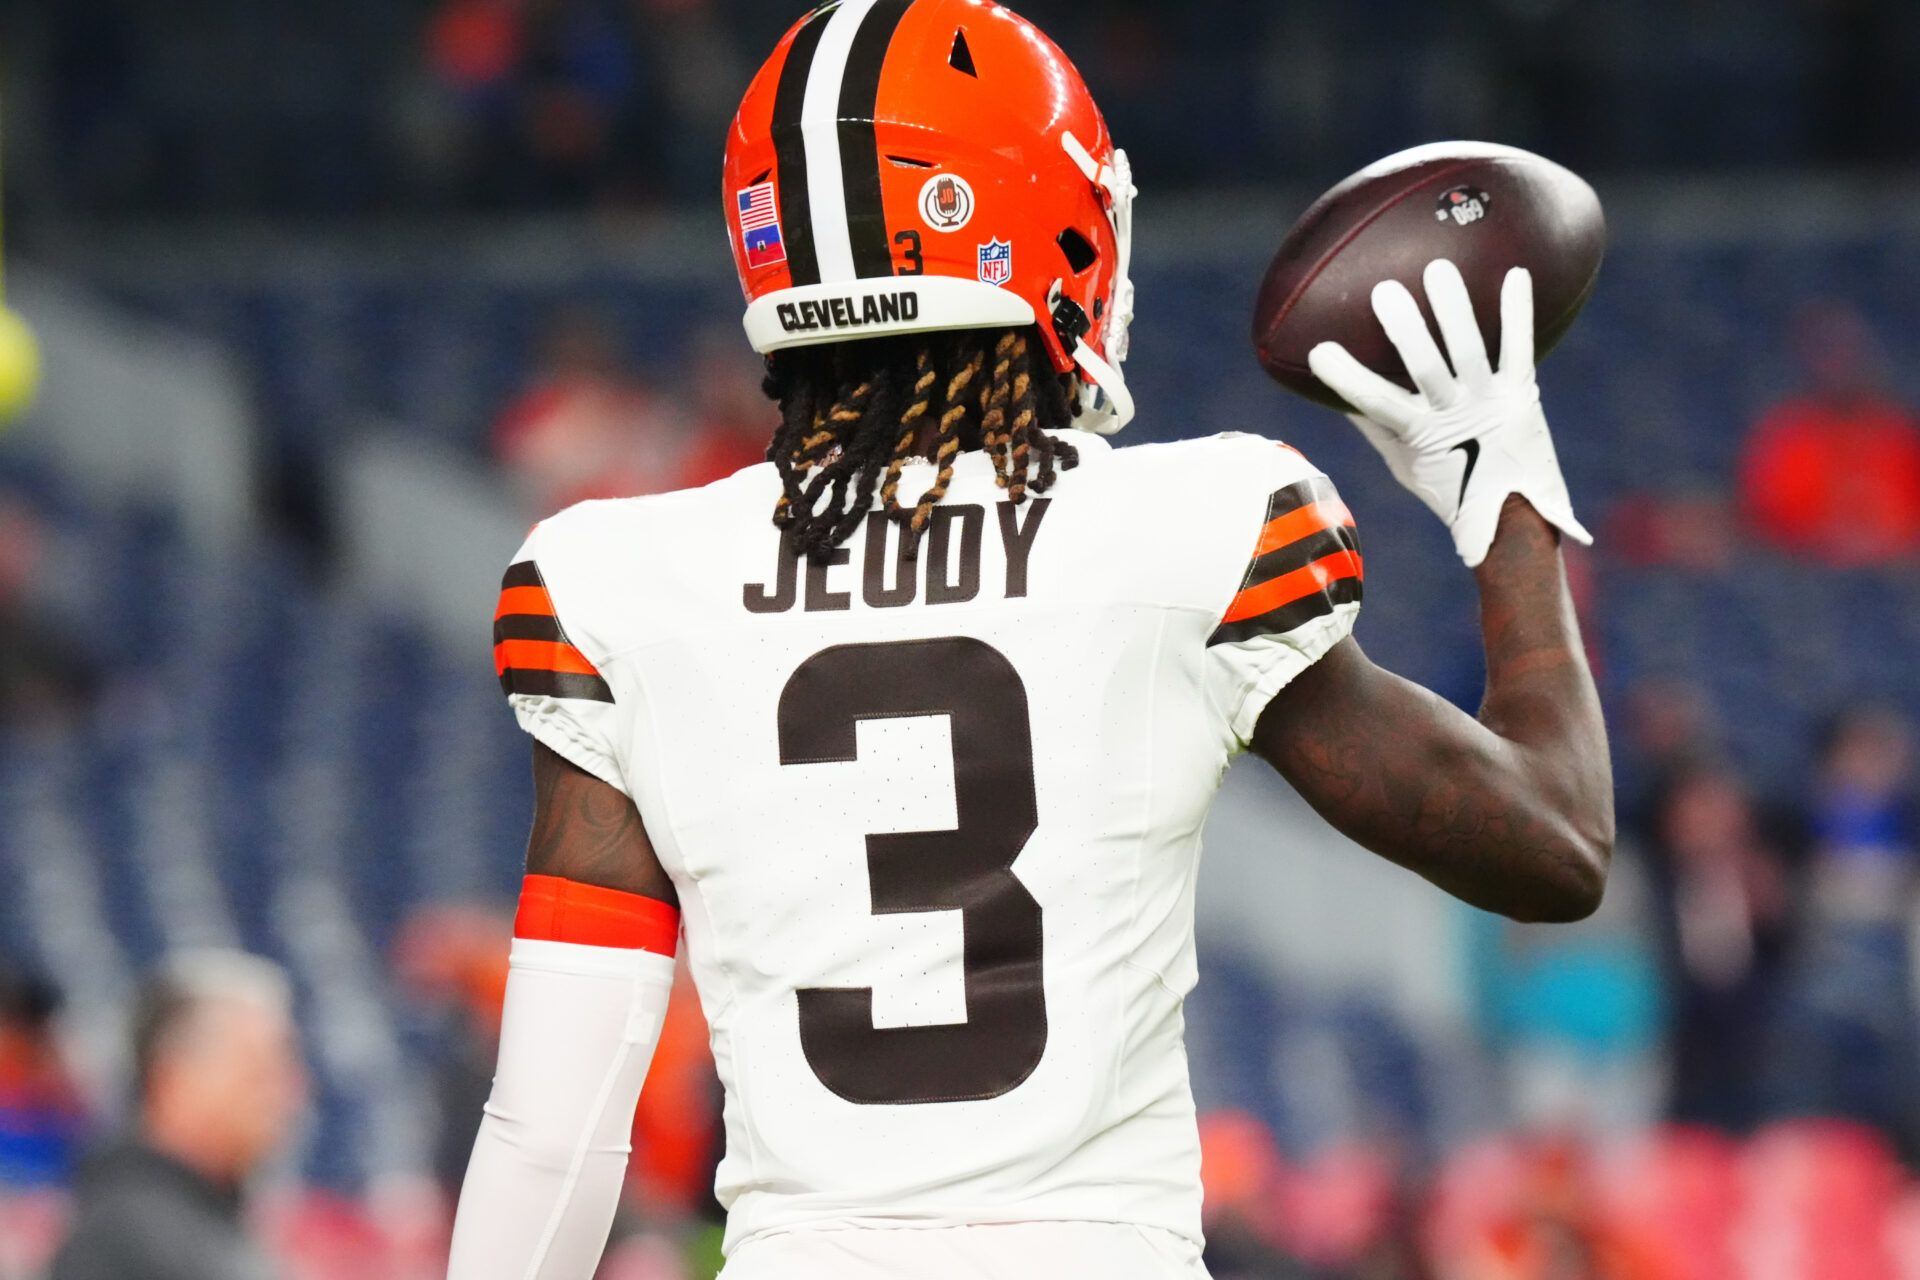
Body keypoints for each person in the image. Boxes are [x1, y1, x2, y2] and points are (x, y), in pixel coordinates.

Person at [448, 2, 1612, 1276]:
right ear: (1050, 227)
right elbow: (1553, 843)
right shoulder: (1186, 528)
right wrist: (1501, 473)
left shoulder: (623, 579)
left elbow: (553, 1133)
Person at [49, 952, 308, 1280]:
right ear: (172, 1078)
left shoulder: (204, 1225)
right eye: (259, 1071)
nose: (289, 1093)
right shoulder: (125, 1236)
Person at [1739, 301, 1920, 565]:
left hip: (1896, 568)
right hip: (1808, 572)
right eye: (1826, 353)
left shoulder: (1898, 433)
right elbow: (1770, 516)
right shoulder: (1786, 435)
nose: (1838, 365)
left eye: (1846, 351)